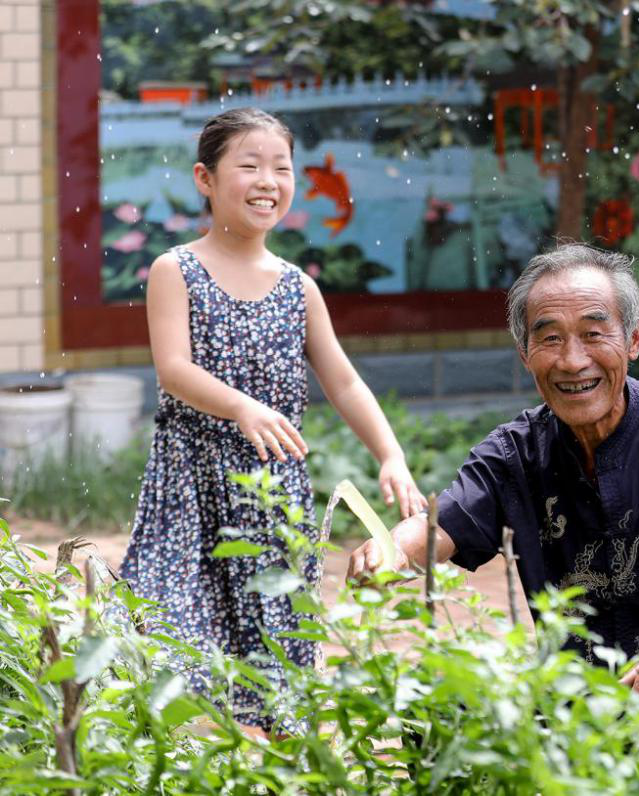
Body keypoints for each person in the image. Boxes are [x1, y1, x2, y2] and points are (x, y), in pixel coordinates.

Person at [348, 243, 639, 754]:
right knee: (437, 715)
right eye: (550, 338)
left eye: (593, 334)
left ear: (633, 339)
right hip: (572, 699)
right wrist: (390, 551)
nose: (572, 360)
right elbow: (444, 523)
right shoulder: (514, 452)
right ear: (525, 354)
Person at [118, 107, 427, 733]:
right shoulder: (175, 270)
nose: (268, 181)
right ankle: (191, 750)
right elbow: (173, 369)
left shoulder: (297, 287)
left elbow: (343, 381)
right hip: (189, 486)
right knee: (176, 630)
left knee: (275, 642)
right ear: (205, 179)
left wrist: (390, 454)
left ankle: (282, 756)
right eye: (249, 165)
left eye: (282, 168)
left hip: (271, 495)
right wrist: (241, 405)